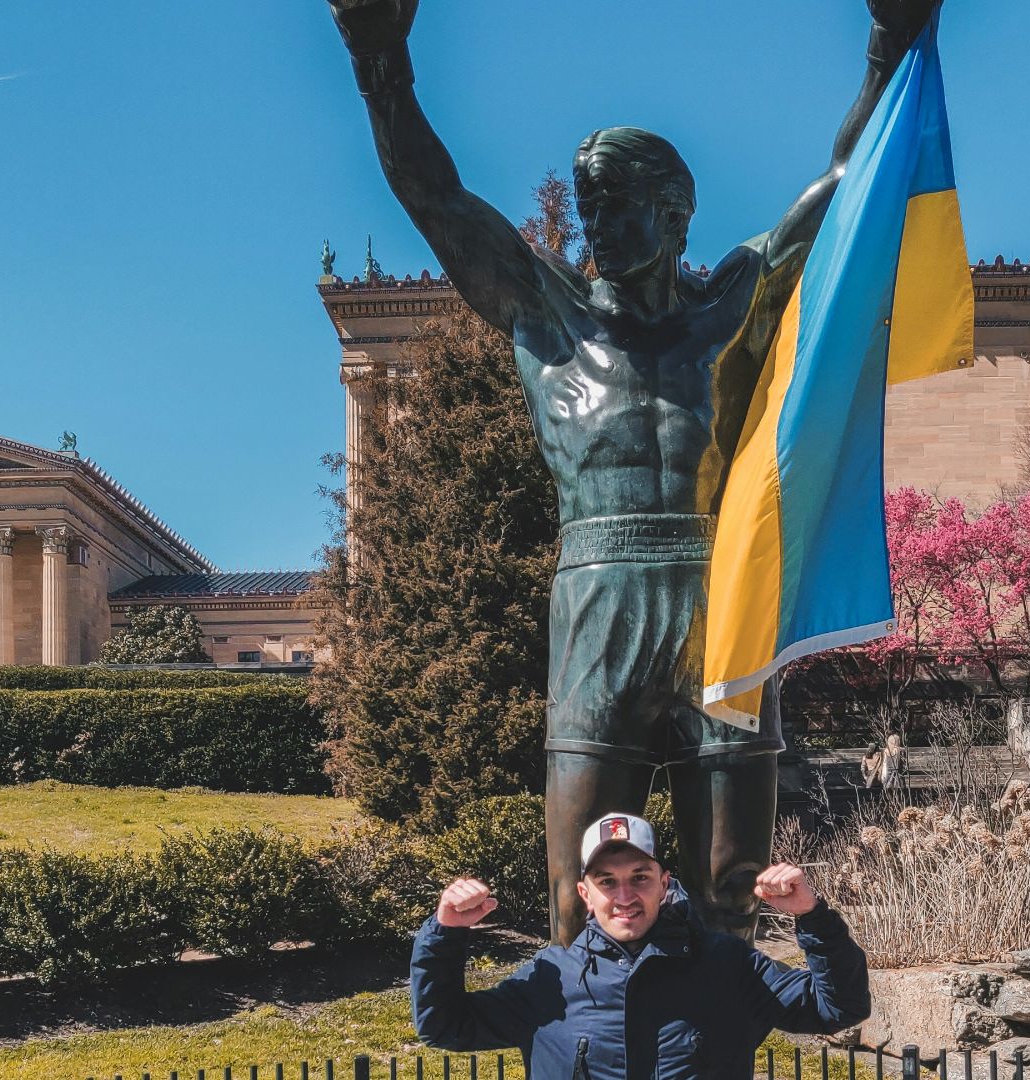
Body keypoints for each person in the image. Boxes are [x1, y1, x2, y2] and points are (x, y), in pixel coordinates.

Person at [326, 0, 947, 945]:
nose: (598, 227)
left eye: (619, 207)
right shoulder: (549, 315)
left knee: (732, 893)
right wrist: (379, 56)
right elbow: (435, 198)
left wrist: (889, 43)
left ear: (675, 215)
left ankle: (719, 1027)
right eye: (589, 210)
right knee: (580, 902)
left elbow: (847, 182)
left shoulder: (732, 308)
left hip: (721, 601)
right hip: (597, 603)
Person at [411, 812, 871, 1080]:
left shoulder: (726, 964)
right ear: (586, 894)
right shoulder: (551, 976)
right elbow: (445, 1027)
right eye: (607, 881)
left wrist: (812, 916)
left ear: (664, 883)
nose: (625, 896)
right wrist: (445, 931)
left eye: (640, 877)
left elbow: (838, 1007)